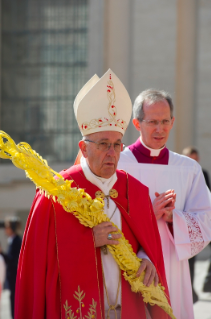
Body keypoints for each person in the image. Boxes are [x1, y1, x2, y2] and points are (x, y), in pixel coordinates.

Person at [15, 70, 172, 319]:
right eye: (102, 144)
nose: (111, 153)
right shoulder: (56, 192)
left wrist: (146, 258)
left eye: (117, 144)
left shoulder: (137, 192)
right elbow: (36, 264)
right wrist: (87, 241)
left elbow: (148, 245)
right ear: (83, 148)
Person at [118, 89, 211, 319]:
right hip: (127, 262)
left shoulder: (188, 169)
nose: (160, 129)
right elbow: (102, 214)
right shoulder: (118, 163)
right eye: (152, 122)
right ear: (137, 123)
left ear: (172, 122)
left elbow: (206, 220)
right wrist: (145, 214)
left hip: (170, 264)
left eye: (165, 121)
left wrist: (174, 218)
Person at [182, 146, 211, 298]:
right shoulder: (180, 171)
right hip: (182, 219)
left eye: (195, 158)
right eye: (190, 158)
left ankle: (202, 285)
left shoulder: (203, 173)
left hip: (197, 220)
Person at [0, 217, 22, 319]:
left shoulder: (17, 241)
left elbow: (12, 260)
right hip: (12, 276)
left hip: (15, 276)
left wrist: (2, 253)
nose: (6, 229)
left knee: (14, 299)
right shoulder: (13, 240)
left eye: (7, 227)